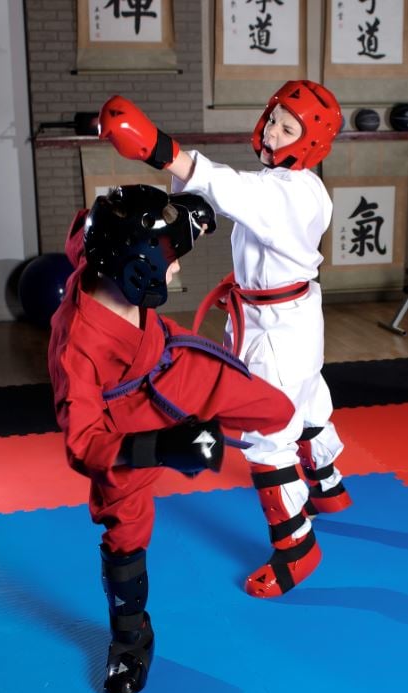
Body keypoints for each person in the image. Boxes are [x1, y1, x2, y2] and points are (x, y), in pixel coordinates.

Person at [97, 79, 353, 604]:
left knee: (267, 428)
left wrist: (158, 149)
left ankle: (297, 546)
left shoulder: (283, 192)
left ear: (309, 142)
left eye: (289, 128)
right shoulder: (300, 186)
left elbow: (229, 188)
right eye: (275, 118)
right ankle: (328, 484)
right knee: (307, 398)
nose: (275, 131)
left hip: (275, 326)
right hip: (292, 314)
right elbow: (243, 201)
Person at [48, 183, 295, 693]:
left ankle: (311, 464)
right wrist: (162, 447)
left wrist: (186, 217)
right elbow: (83, 444)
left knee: (280, 412)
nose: (176, 267)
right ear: (134, 266)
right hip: (124, 425)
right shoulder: (78, 346)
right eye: (167, 257)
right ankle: (131, 640)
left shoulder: (98, 244)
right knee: (124, 532)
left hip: (173, 364)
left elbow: (95, 221)